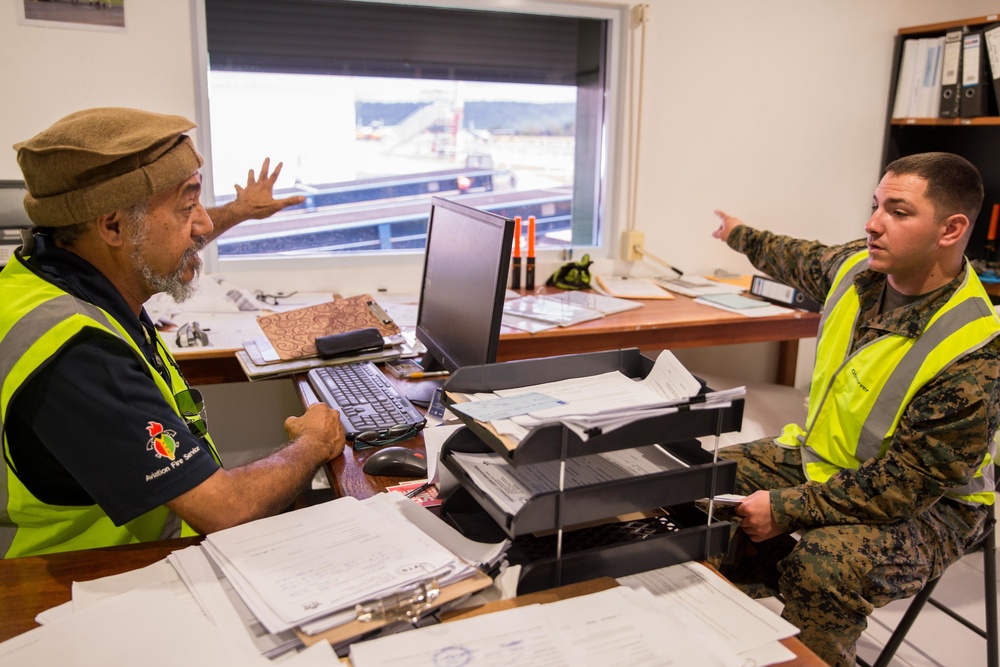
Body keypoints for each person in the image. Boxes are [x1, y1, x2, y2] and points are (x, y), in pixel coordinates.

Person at [0, 107, 346, 559]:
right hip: (97, 579)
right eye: (188, 206)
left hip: (146, 552)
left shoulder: (52, 275)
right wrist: (313, 443)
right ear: (112, 226)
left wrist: (239, 211)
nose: (203, 225)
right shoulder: (79, 352)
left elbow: (157, 234)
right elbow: (225, 509)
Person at [710, 151, 1000, 666]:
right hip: (829, 461)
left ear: (951, 229)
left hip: (937, 506)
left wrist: (784, 509)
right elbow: (794, 254)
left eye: (898, 211)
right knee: (700, 482)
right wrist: (737, 233)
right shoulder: (857, 270)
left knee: (824, 568)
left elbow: (904, 485)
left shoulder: (975, 349)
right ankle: (736, 625)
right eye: (875, 205)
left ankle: (806, 641)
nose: (872, 224)